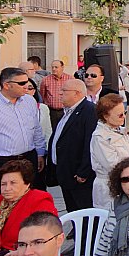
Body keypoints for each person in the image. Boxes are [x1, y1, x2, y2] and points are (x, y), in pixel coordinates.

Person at [0, 67, 46, 196]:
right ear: (6, 85)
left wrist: (40, 152)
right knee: (5, 200)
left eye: (27, 82)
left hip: (29, 158)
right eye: (21, 83)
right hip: (2, 162)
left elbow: (36, 129)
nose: (26, 86)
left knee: (35, 198)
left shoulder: (29, 101)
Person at [46, 79, 97, 212]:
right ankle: (76, 230)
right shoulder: (68, 111)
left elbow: (90, 143)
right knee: (72, 208)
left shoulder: (89, 111)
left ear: (77, 93)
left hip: (78, 175)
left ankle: (84, 232)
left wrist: (84, 171)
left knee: (83, 209)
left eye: (64, 91)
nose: (60, 93)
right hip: (65, 172)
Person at [90, 94, 129, 209]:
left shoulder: (120, 131)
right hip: (109, 187)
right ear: (106, 116)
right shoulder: (100, 137)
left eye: (124, 113)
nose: (123, 117)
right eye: (120, 115)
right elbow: (113, 165)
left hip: (126, 183)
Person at [39, 60, 72, 130]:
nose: (54, 69)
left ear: (62, 67)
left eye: (56, 67)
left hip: (65, 111)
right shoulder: (46, 80)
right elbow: (42, 95)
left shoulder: (70, 79)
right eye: (52, 67)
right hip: (51, 112)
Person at [25, 79, 51, 147]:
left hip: (39, 149)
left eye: (30, 88)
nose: (26, 91)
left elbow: (48, 131)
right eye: (24, 88)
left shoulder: (43, 108)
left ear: (34, 91)